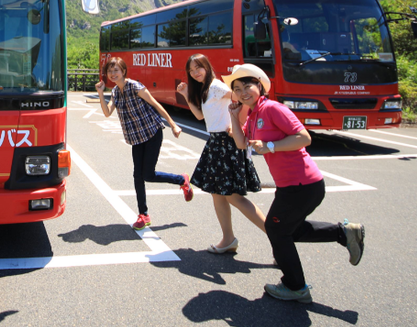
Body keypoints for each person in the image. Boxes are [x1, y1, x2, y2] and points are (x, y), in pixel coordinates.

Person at [225, 63, 365, 304]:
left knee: (277, 231)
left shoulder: (272, 108)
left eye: (247, 85)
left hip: (302, 184)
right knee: (289, 230)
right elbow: (240, 143)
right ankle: (344, 232)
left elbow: (304, 138)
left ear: (260, 85)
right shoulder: (254, 113)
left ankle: (295, 286)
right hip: (292, 185)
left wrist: (270, 146)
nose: (242, 92)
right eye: (237, 88)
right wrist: (232, 114)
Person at [178, 54, 267, 254]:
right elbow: (200, 115)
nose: (195, 73)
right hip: (216, 143)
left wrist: (241, 126)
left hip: (226, 143)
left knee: (234, 197)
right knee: (218, 194)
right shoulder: (206, 89)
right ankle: (228, 239)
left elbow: (241, 98)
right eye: (191, 70)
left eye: (198, 67)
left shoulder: (217, 86)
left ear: (207, 66)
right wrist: (185, 95)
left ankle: (276, 238)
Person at [96, 56, 193, 230]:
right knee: (138, 176)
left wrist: (173, 124)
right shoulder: (116, 92)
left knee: (148, 174)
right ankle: (144, 214)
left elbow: (155, 104)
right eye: (110, 71)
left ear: (123, 71)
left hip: (152, 132)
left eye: (116, 70)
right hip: (136, 138)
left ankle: (181, 180)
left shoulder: (135, 87)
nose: (112, 74)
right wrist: (101, 93)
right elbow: (107, 112)